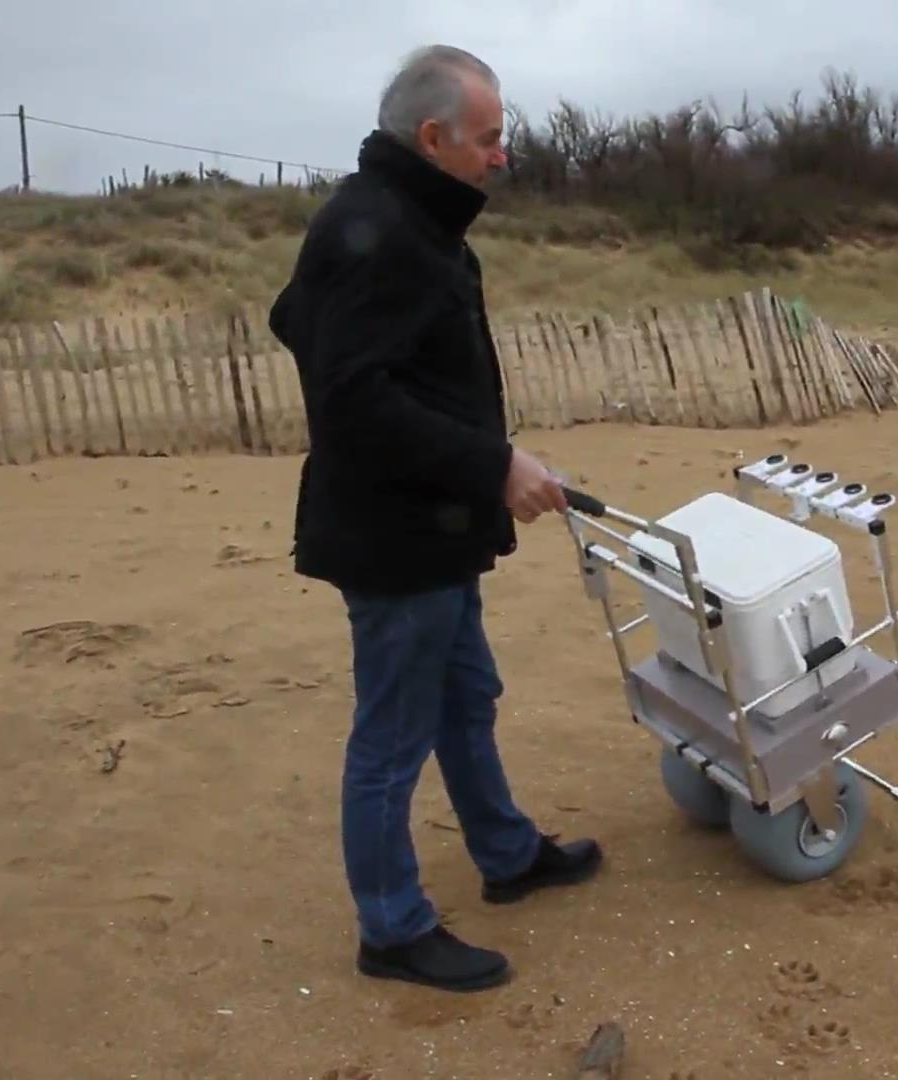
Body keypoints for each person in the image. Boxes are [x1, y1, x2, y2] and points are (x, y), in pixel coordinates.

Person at [267, 44, 602, 994]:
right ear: (433, 138)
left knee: (466, 697)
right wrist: (494, 463)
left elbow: (295, 317)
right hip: (393, 537)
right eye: (490, 139)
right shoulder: (376, 226)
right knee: (392, 736)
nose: (502, 155)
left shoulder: (408, 218)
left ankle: (505, 854)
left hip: (434, 527)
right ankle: (392, 928)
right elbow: (352, 400)